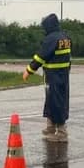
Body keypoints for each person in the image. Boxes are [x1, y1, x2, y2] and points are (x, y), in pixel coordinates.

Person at [23, 13, 71, 142]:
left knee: (55, 101)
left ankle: (61, 132)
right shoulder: (65, 37)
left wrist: (29, 70)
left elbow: (41, 56)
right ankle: (50, 126)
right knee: (55, 100)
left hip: (53, 75)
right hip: (63, 75)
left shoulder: (51, 39)